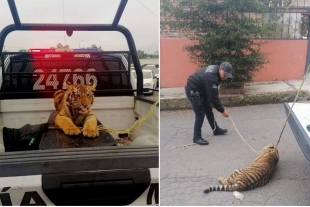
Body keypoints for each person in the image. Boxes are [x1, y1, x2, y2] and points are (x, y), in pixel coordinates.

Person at [185, 62, 233, 145]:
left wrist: (220, 107)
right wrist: (222, 110)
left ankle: (216, 130)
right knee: (200, 114)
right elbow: (213, 98)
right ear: (220, 69)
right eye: (225, 74)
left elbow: (213, 94)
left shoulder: (216, 71)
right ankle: (196, 137)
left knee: (208, 110)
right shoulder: (211, 78)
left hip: (201, 89)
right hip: (193, 90)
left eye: (227, 75)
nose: (225, 77)